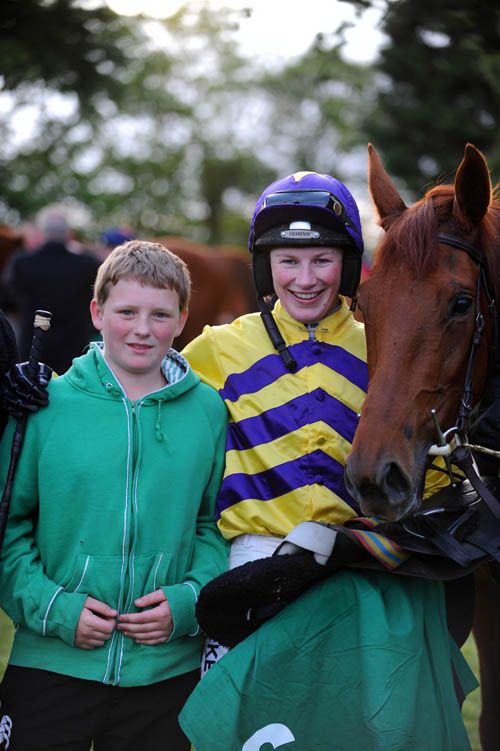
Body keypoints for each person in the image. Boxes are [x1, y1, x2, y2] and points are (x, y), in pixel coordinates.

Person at [178, 171, 477, 750]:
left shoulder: (382, 346)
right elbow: (144, 404)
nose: (306, 279)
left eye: (322, 260)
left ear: (348, 261)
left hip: (357, 576)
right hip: (251, 573)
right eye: (288, 261)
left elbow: (432, 462)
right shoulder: (217, 350)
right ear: (265, 267)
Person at [0, 240, 228, 751]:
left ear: (183, 318)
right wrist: (55, 608)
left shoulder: (209, 412)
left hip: (164, 672)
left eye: (160, 315)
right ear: (97, 313)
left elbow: (211, 524)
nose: (143, 329)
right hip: (50, 662)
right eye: (126, 312)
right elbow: (9, 528)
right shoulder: (44, 405)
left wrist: (188, 602)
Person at [7, 204, 100, 374]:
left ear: (42, 232)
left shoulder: (22, 264)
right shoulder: (86, 265)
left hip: (34, 346)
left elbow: (10, 299)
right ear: (67, 234)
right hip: (73, 349)